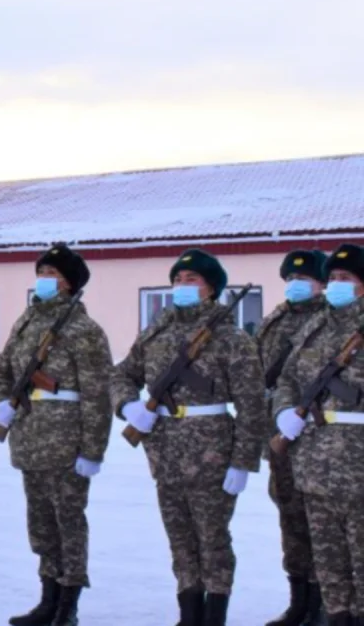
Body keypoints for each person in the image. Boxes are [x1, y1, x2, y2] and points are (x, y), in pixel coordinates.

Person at [110, 248, 267, 626]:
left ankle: (214, 616)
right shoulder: (156, 332)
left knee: (212, 539)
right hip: (164, 451)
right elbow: (121, 374)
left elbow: (251, 405)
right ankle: (189, 614)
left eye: (191, 279)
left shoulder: (231, 338)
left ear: (211, 288)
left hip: (211, 453)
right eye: (178, 280)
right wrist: (128, 406)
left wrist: (243, 462)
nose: (182, 285)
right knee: (179, 538)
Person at [0, 243, 113, 626]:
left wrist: (92, 450)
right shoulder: (27, 322)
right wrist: (0, 404)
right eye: (41, 272)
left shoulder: (84, 330)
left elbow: (98, 395)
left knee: (68, 524)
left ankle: (67, 607)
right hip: (29, 438)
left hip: (66, 443)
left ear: (70, 284)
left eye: (53, 274)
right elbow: (2, 368)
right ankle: (47, 599)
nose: (44, 279)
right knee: (41, 524)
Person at [272, 243, 364, 626]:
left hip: (357, 468)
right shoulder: (315, 326)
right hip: (314, 469)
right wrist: (284, 412)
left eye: (346, 277)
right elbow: (288, 379)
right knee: (329, 565)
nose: (337, 284)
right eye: (333, 278)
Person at [256, 249, 329, 626]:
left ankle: (325, 605)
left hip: (320, 438)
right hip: (279, 435)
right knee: (291, 520)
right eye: (290, 279)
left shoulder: (330, 319)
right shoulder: (276, 319)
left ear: (322, 283)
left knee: (323, 523)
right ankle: (299, 602)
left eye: (305, 279)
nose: (296, 285)